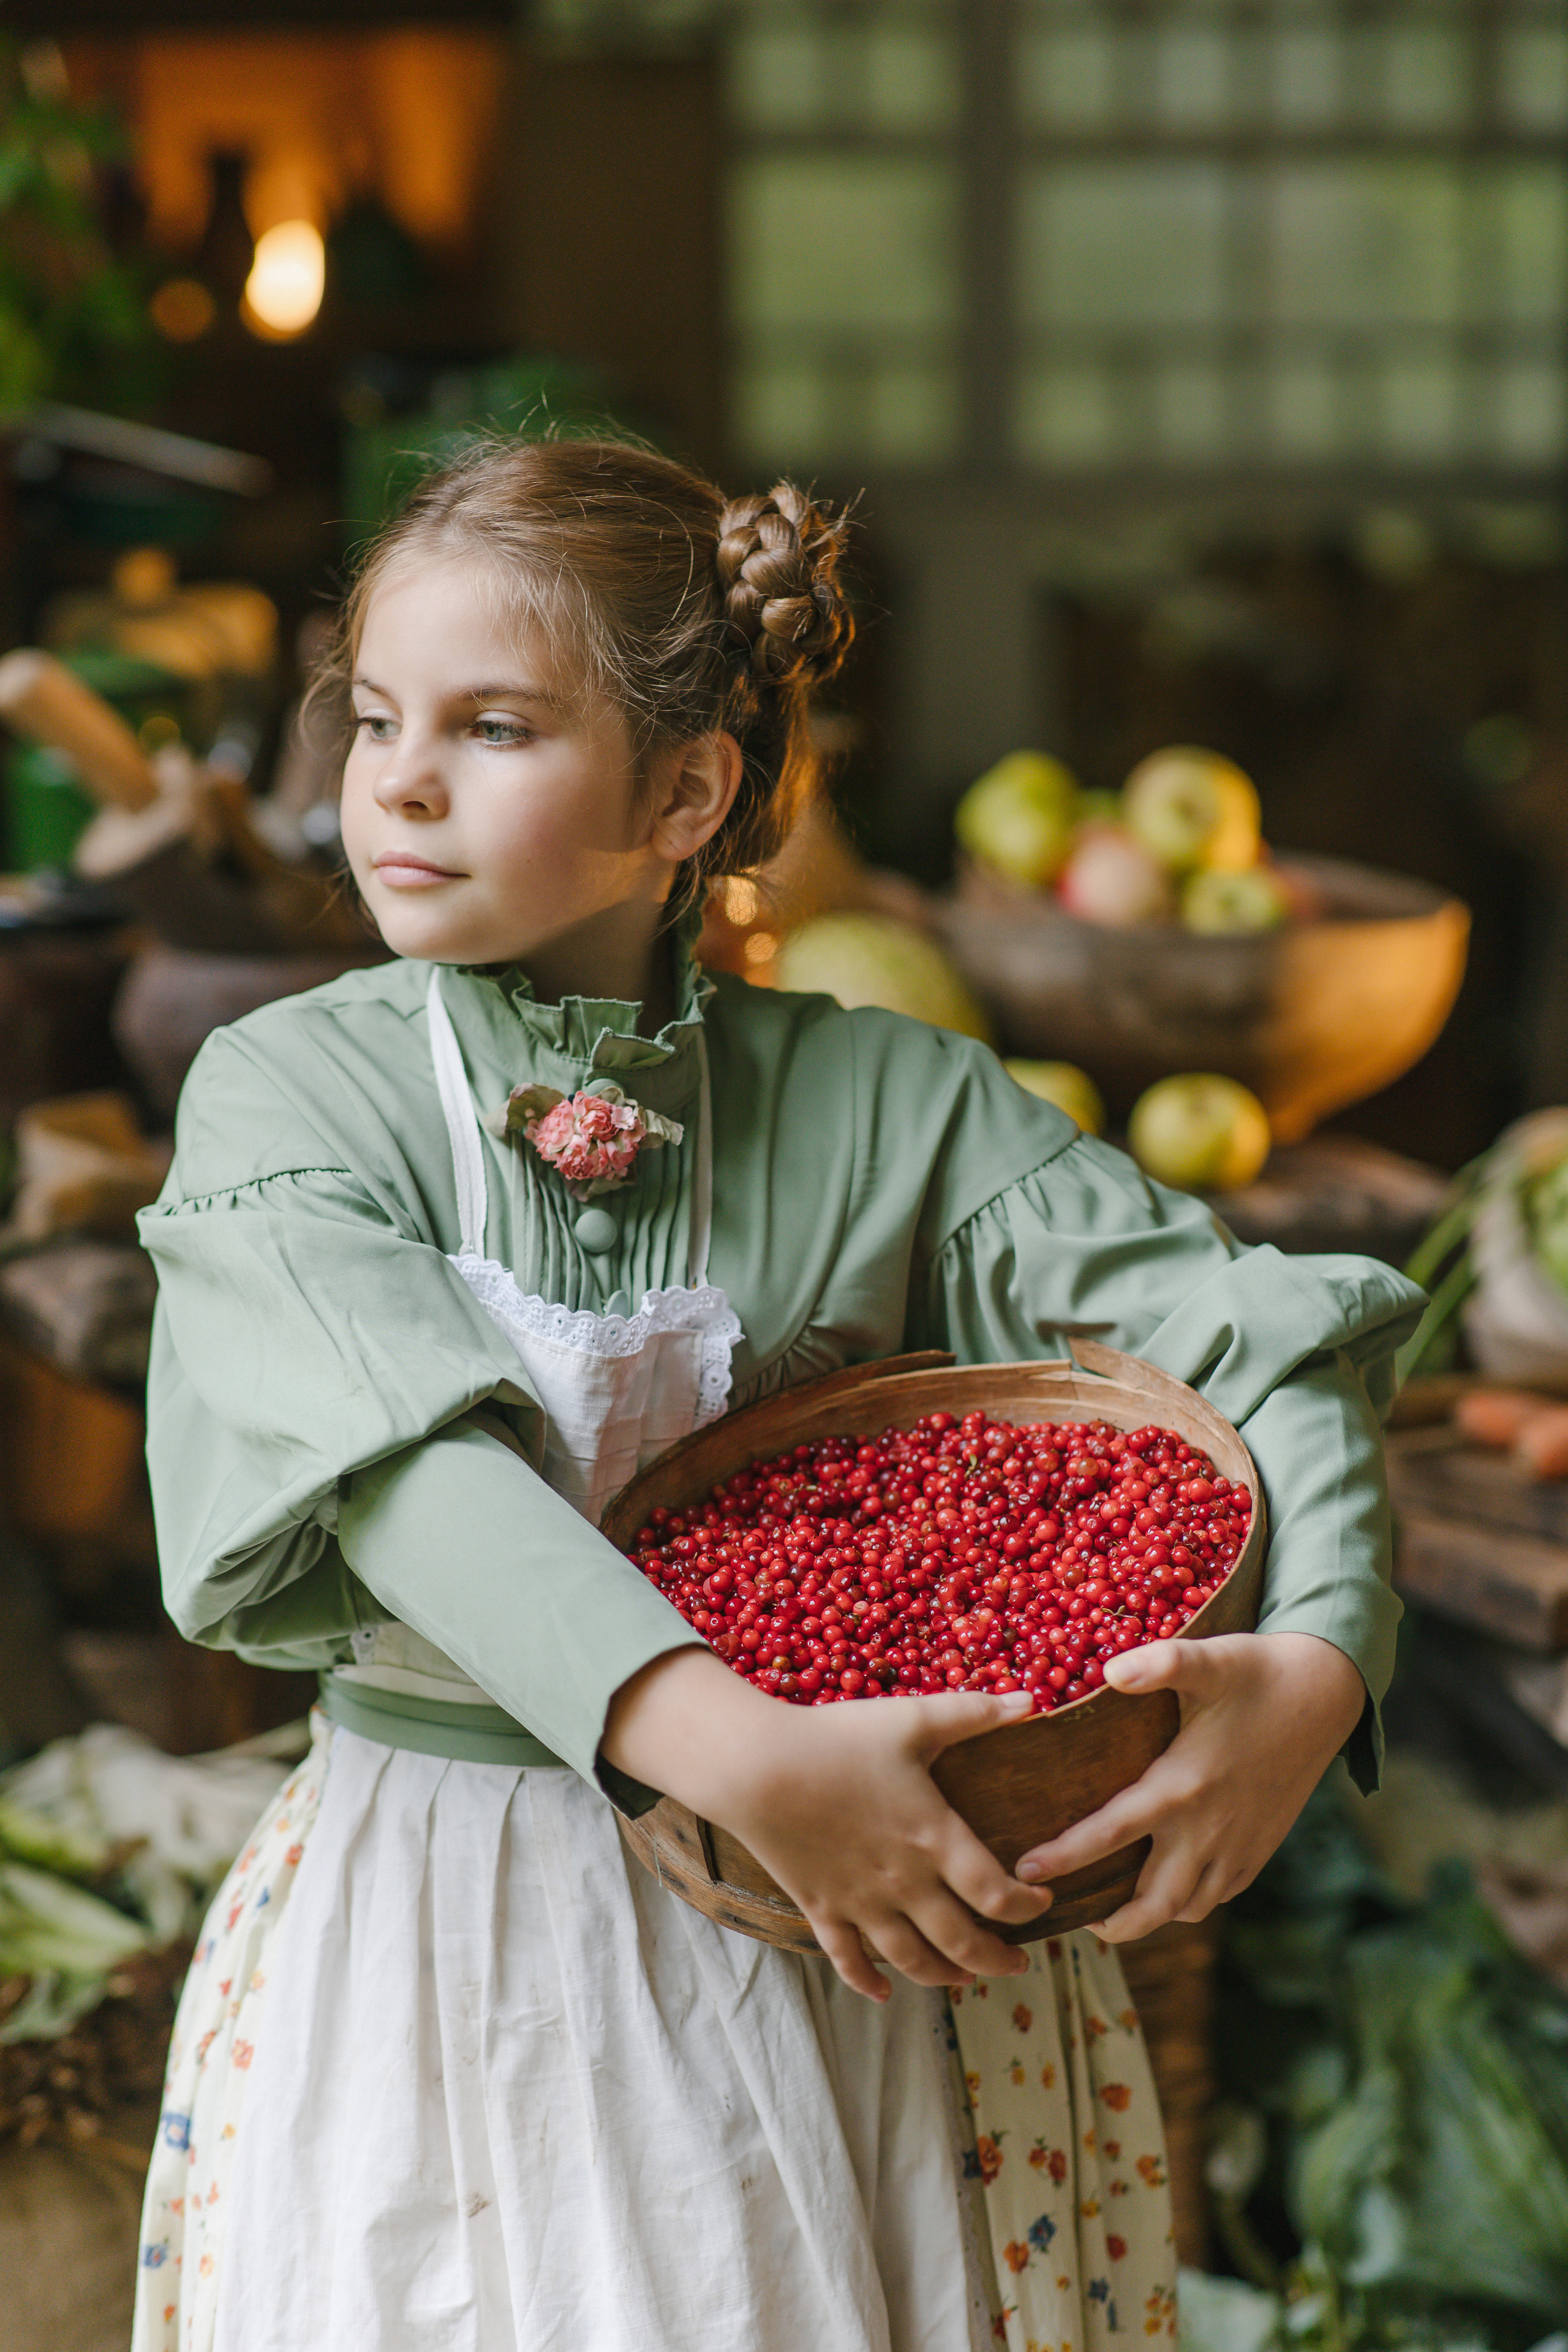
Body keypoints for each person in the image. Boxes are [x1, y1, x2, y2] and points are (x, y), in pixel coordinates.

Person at [130, 438, 1421, 2352]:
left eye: (489, 725)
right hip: (467, 1930)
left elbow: (1254, 1337)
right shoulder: (288, 1096)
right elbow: (409, 1473)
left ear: (687, 791)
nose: (392, 780)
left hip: (885, 1952)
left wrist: (1319, 1664)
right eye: (376, 716)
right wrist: (745, 1760)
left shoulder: (899, 1102)